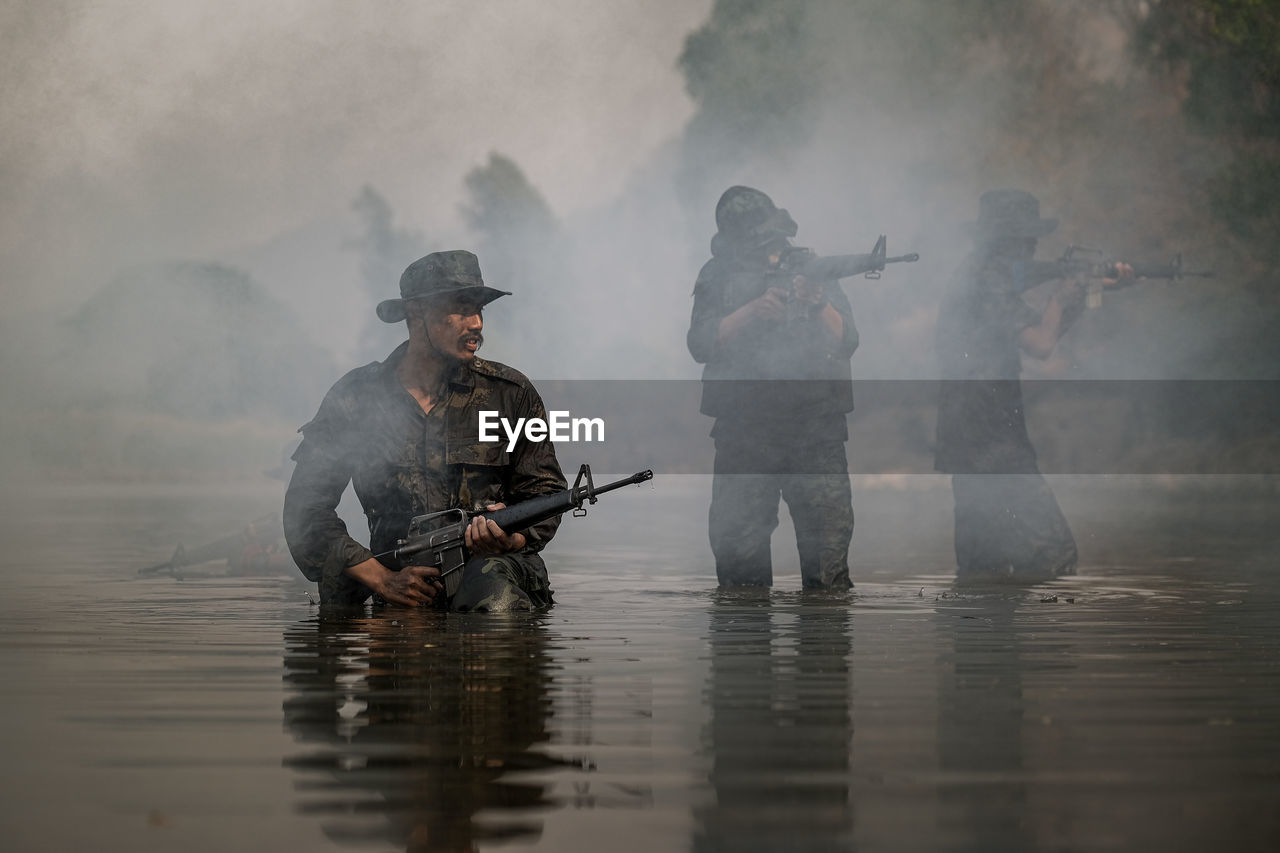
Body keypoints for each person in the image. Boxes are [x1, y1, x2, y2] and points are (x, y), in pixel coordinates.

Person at [284, 250, 567, 609]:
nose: (477, 323)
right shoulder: (356, 399)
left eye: (480, 310)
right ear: (417, 313)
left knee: (495, 601)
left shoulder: (509, 394)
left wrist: (510, 539)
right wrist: (381, 579)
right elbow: (305, 510)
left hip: (491, 572)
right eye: (462, 308)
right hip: (397, 581)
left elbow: (546, 493)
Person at [934, 189, 1130, 583]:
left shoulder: (979, 275)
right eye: (1028, 239)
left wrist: (1089, 289)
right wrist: (1068, 291)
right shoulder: (987, 279)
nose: (1034, 246)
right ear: (1010, 240)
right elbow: (1041, 343)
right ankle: (1035, 638)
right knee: (1054, 555)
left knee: (982, 571)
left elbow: (1045, 333)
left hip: (972, 438)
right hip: (992, 440)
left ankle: (976, 641)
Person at [687, 186, 859, 589]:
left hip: (816, 432)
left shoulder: (812, 267)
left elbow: (848, 339)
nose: (774, 249)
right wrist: (752, 310)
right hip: (745, 434)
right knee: (739, 573)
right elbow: (700, 343)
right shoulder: (717, 275)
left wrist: (818, 303)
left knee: (828, 575)